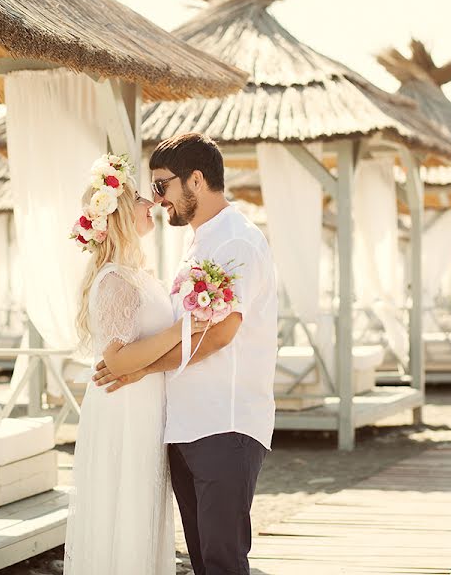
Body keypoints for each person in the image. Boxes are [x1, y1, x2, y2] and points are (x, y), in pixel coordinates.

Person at [94, 133, 279, 575]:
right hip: (186, 425)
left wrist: (142, 369)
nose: (156, 199)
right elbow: (182, 332)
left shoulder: (237, 242)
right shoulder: (198, 243)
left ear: (196, 180)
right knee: (202, 560)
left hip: (225, 423)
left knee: (222, 560)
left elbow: (219, 334)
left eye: (162, 186)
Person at [63, 154, 209, 575]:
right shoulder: (114, 280)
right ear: (122, 213)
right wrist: (184, 329)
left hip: (145, 407)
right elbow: (118, 358)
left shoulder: (137, 274)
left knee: (143, 508)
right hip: (124, 410)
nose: (153, 205)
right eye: (143, 198)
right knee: (125, 508)